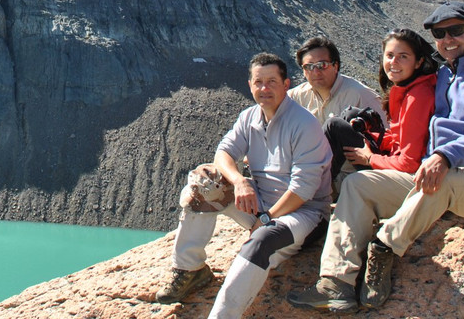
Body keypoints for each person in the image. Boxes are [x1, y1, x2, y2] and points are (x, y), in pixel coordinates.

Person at [287, 2, 464, 313]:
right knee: (358, 184)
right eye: (441, 33)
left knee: (444, 176)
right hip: (431, 175)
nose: (448, 39)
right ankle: (336, 283)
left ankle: (384, 247)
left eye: (456, 31)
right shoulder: (447, 74)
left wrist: (445, 156)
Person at [154, 53, 332, 318]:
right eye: (258, 82)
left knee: (262, 240)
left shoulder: (304, 125)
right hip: (262, 206)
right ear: (250, 85)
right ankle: (190, 270)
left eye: (272, 81)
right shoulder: (249, 117)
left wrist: (267, 217)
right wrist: (239, 182)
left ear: (286, 84)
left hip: (302, 214)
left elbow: (303, 189)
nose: (264, 88)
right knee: (203, 184)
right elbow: (223, 152)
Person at [322, 28, 438, 182]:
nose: (393, 62)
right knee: (350, 116)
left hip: (405, 175)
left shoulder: (417, 97)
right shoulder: (409, 89)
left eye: (403, 56)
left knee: (334, 126)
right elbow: (399, 139)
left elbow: (409, 163)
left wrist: (370, 158)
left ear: (418, 62)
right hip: (394, 160)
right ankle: (320, 185)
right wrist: (373, 137)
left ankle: (313, 190)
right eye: (390, 55)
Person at [289, 36, 386, 127]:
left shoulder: (361, 96)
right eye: (308, 67)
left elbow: (386, 135)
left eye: (322, 65)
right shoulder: (296, 96)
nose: (316, 72)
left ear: (335, 66)